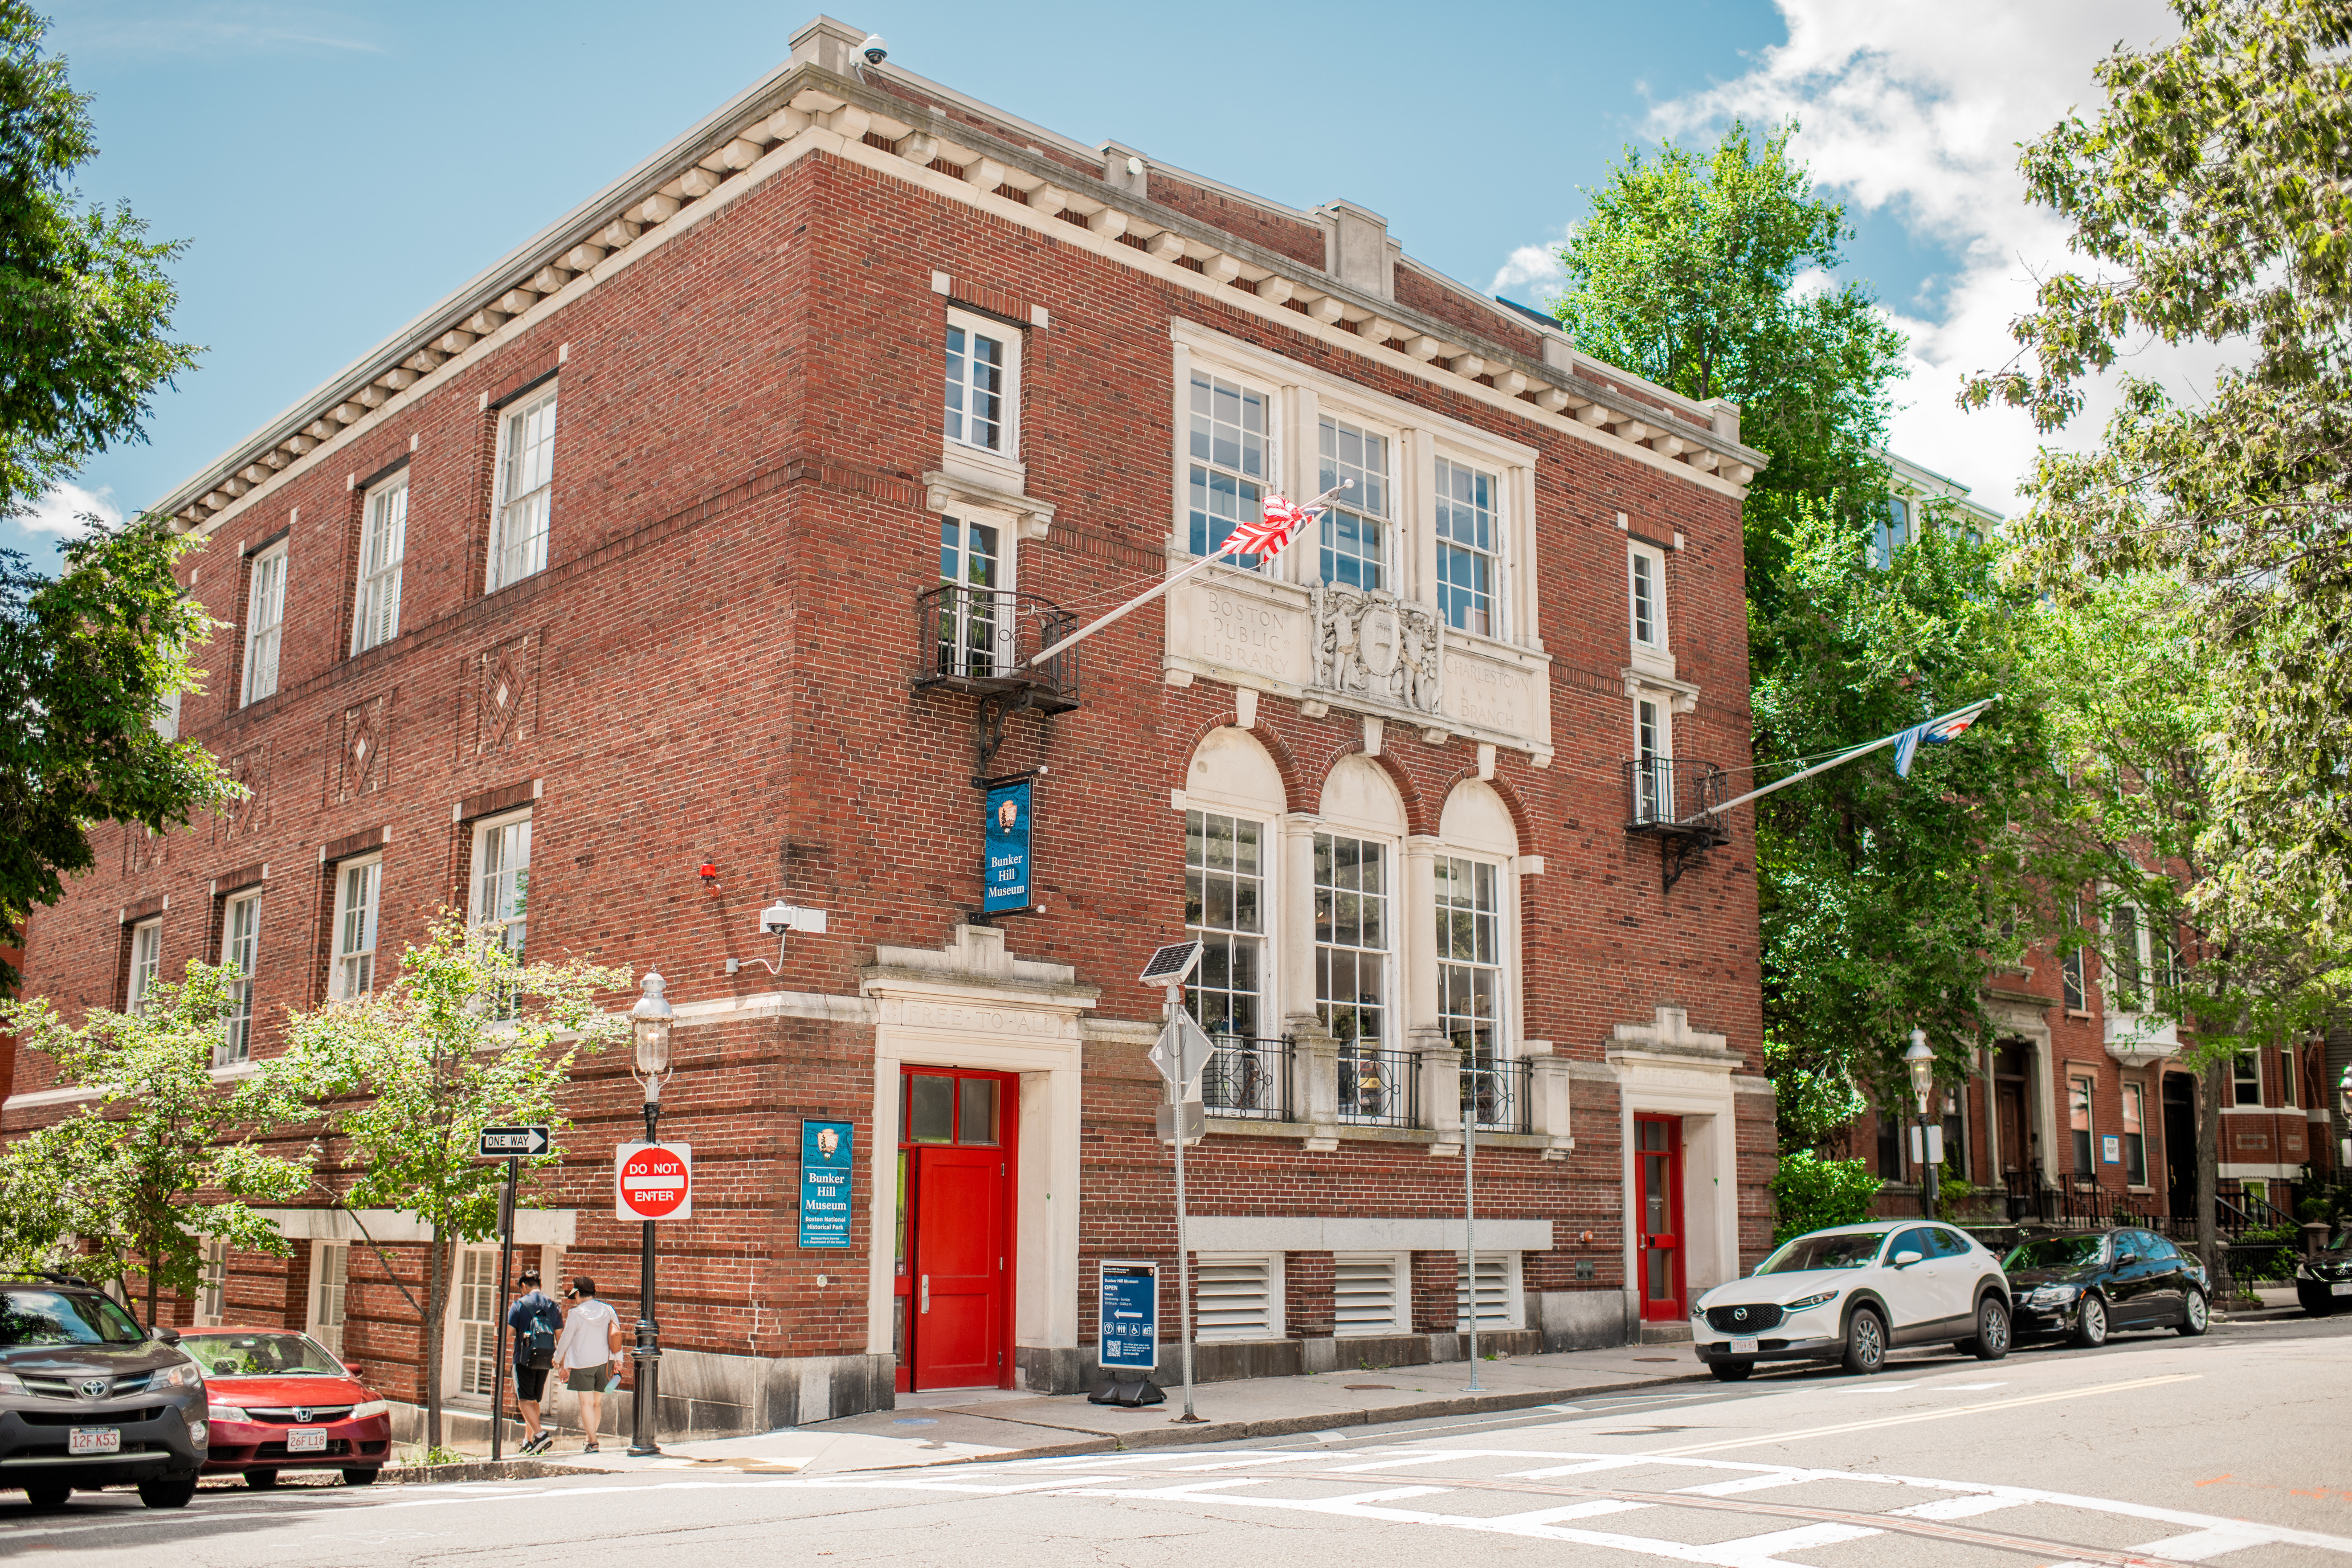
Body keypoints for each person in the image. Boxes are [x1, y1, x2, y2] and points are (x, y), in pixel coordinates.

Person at [553, 1275, 622, 1452]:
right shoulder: (608, 1310)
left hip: (582, 1364)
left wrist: (558, 1358)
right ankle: (590, 1438)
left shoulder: (576, 1313)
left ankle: (593, 1441)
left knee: (585, 1404)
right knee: (596, 1404)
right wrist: (619, 1360)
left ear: (577, 1294)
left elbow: (566, 1339)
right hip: (604, 1363)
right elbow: (616, 1335)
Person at [505, 1269, 564, 1456]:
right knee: (534, 1400)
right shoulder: (554, 1306)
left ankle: (540, 1435)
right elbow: (560, 1338)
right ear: (540, 1285)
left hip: (523, 1359)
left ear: (523, 1286)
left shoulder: (519, 1305)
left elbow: (506, 1335)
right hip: (545, 1359)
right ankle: (528, 1441)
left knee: (523, 1401)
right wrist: (560, 1361)